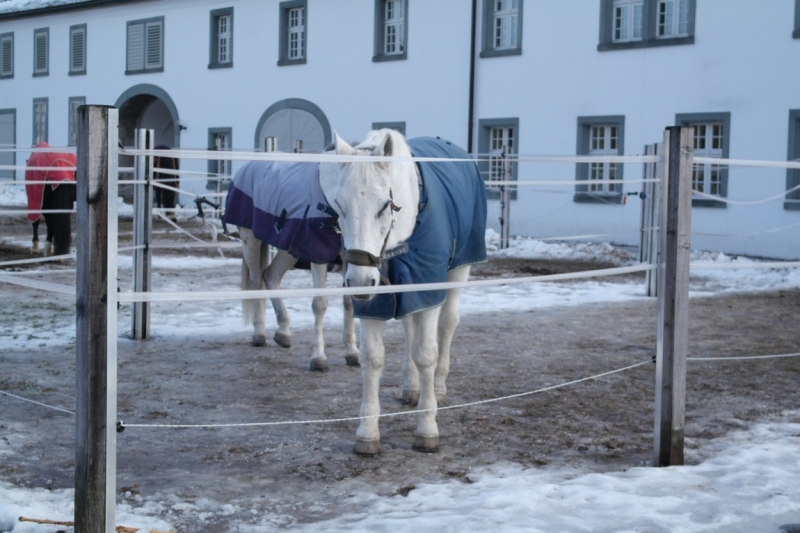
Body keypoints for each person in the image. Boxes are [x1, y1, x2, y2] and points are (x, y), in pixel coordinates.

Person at [153, 145, 179, 221]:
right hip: (170, 178)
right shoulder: (172, 157)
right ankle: (171, 214)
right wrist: (176, 181)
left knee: (159, 195)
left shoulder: (158, 157)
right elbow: (176, 168)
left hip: (160, 177)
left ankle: (160, 214)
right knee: (171, 195)